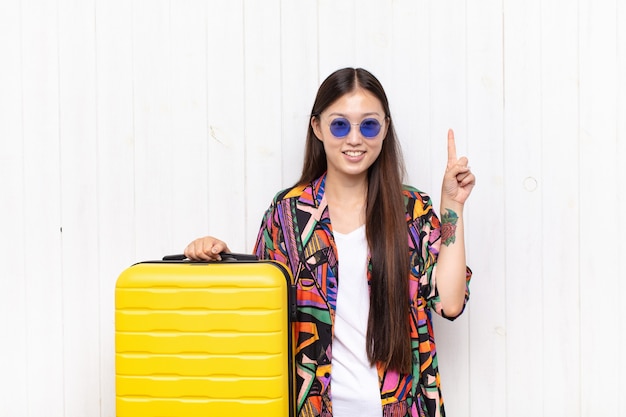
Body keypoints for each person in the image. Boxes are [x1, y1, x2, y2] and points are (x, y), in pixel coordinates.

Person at [184, 67, 475, 417]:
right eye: (340, 124)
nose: (355, 139)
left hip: (404, 407)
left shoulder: (411, 210)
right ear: (318, 127)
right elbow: (259, 311)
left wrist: (452, 207)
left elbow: (449, 303)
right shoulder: (289, 214)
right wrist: (217, 260)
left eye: (369, 125)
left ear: (384, 129)